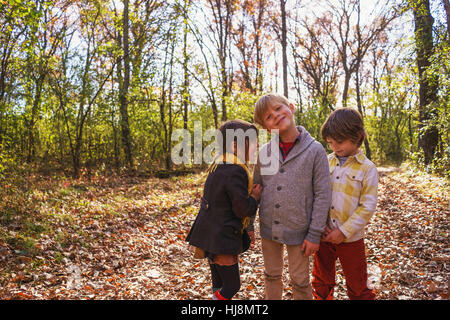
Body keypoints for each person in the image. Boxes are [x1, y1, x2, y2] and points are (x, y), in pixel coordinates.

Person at [253, 93, 331, 300]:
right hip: (270, 228)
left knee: (300, 280)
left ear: (292, 107)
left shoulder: (315, 151)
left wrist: (315, 233)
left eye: (278, 109)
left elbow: (323, 194)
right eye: (269, 117)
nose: (276, 116)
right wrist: (248, 225)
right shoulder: (264, 153)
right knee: (271, 275)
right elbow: (256, 190)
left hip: (301, 229)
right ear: (267, 128)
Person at [186, 119, 262, 300]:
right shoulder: (234, 170)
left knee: (219, 284)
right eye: (251, 140)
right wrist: (255, 197)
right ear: (235, 145)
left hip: (211, 234)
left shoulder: (219, 164)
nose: (257, 144)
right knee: (232, 286)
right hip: (222, 237)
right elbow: (242, 209)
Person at [312, 107, 378, 300]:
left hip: (351, 238)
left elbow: (367, 207)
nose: (335, 147)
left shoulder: (367, 168)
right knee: (321, 280)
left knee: (358, 284)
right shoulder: (325, 161)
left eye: (339, 142)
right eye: (331, 142)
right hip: (323, 235)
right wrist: (319, 224)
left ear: (356, 136)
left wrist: (343, 232)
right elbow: (317, 194)